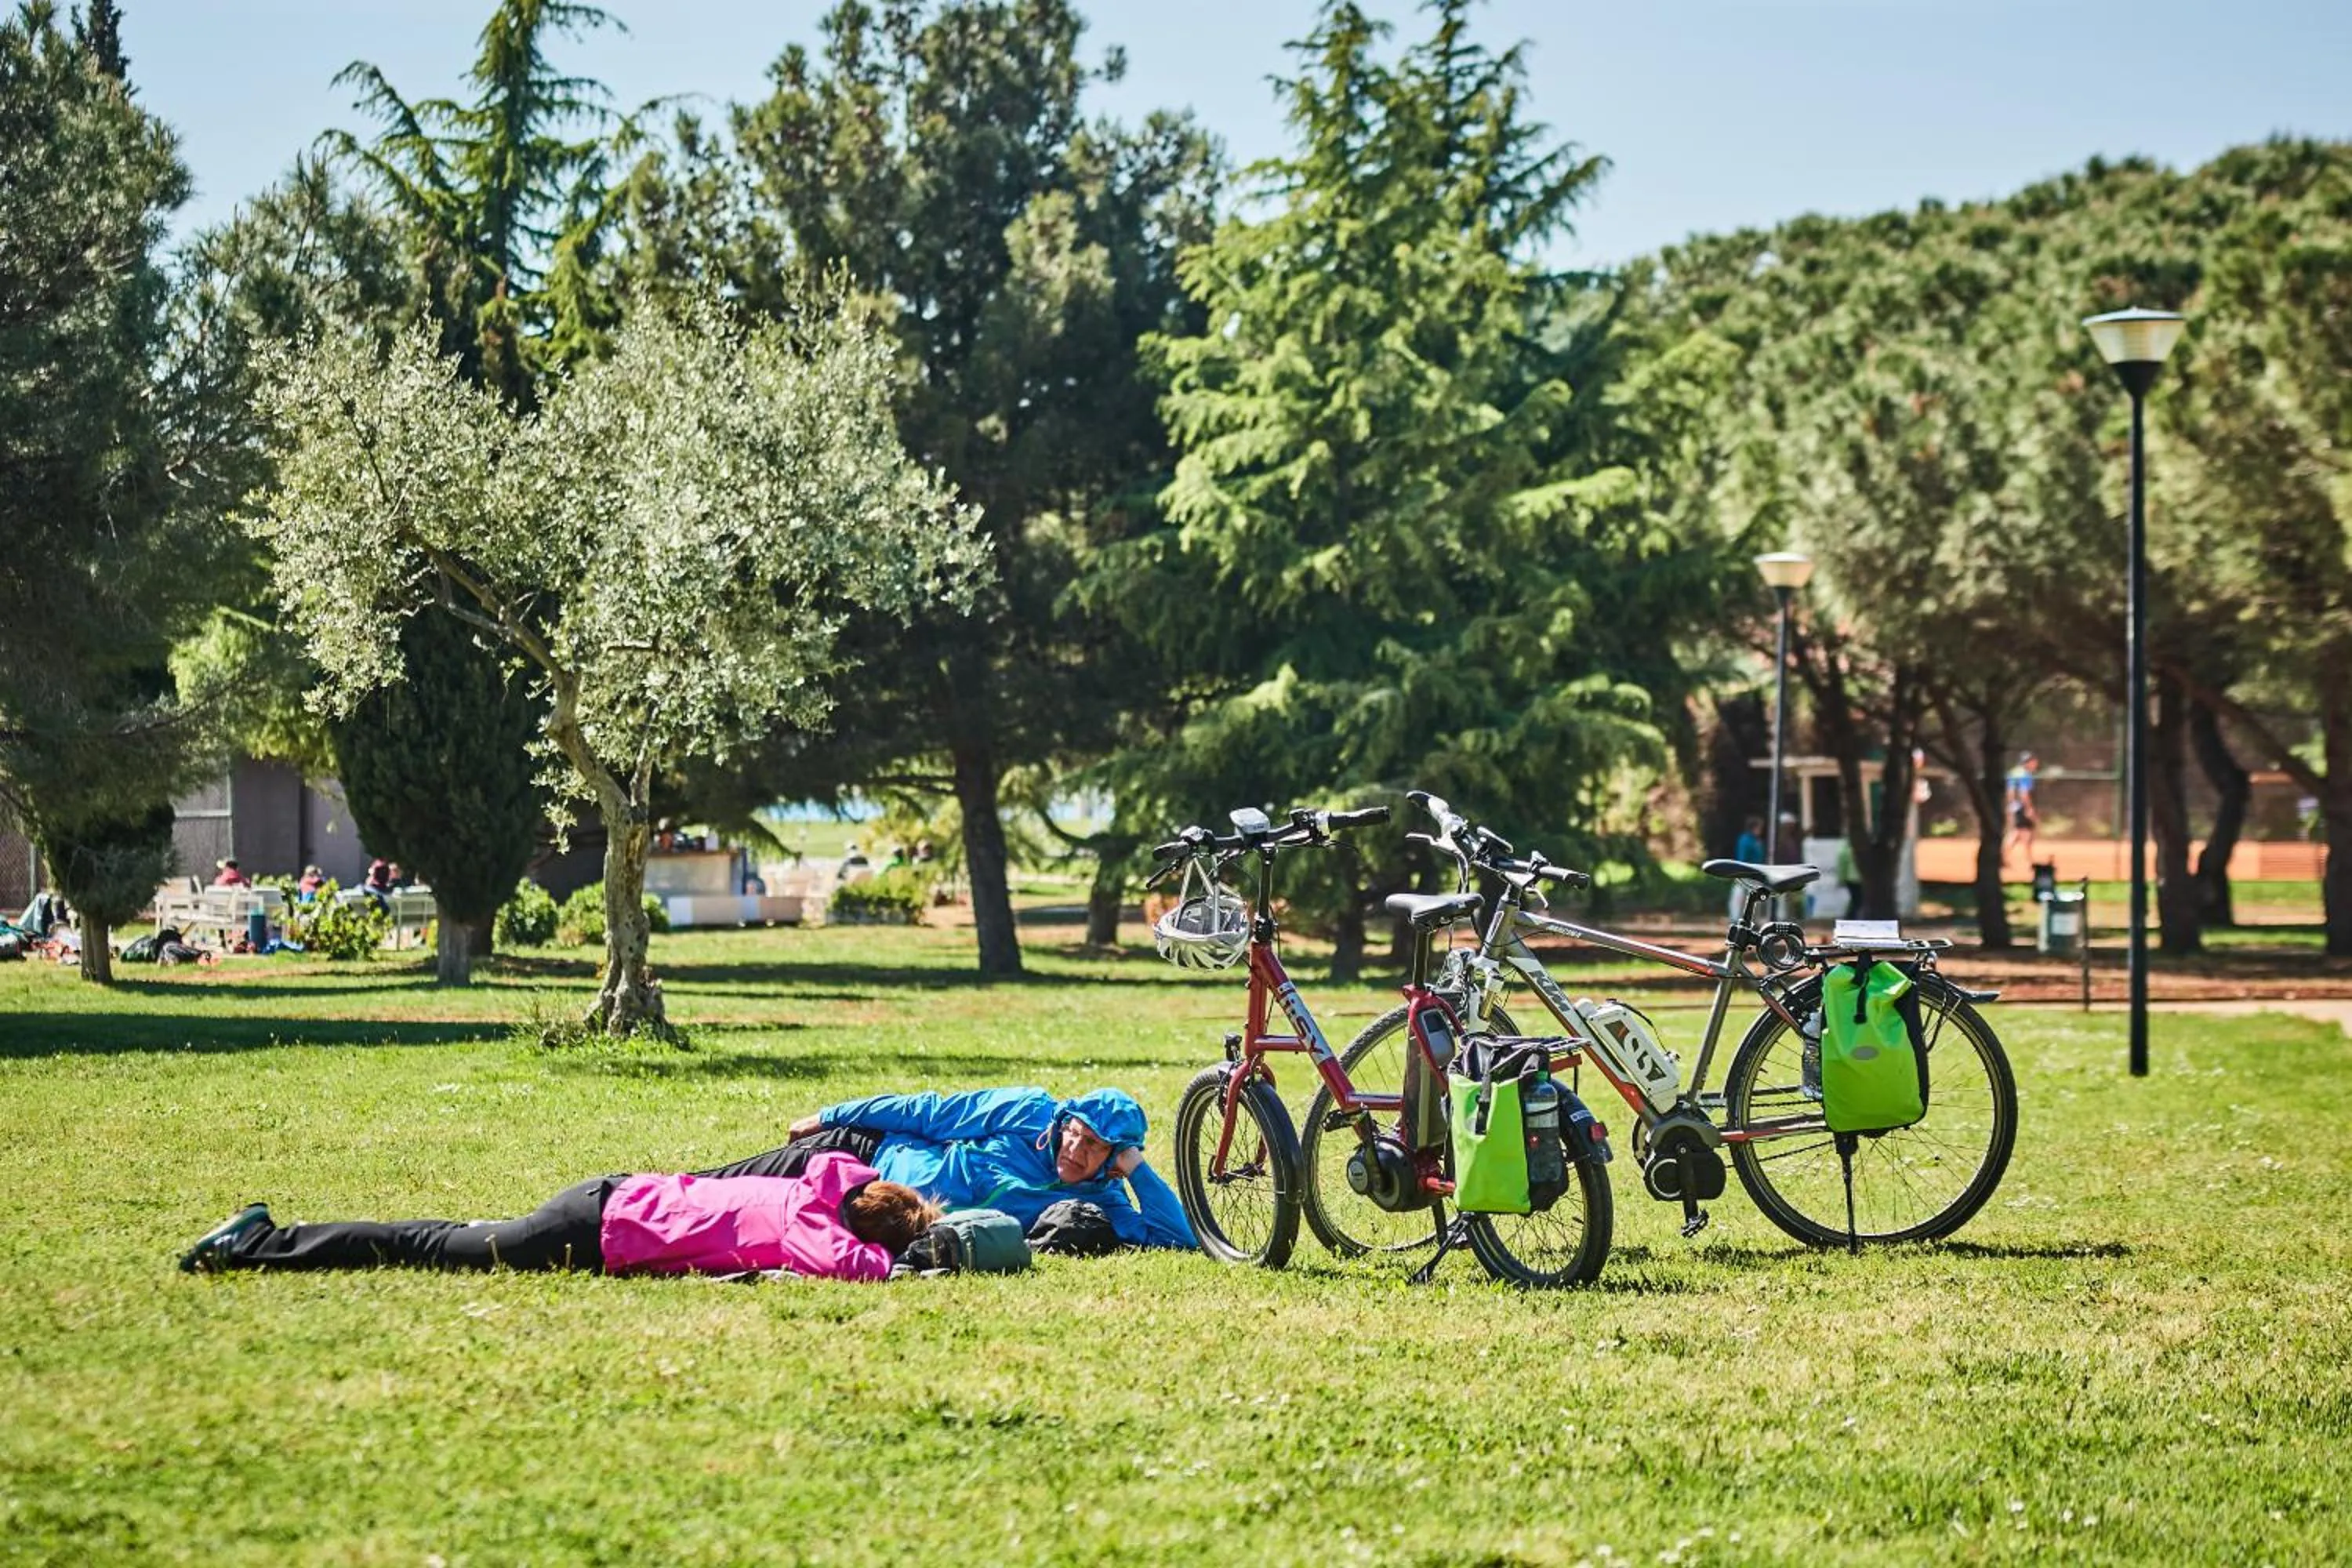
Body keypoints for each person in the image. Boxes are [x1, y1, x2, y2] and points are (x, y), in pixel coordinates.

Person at [178, 1149, 937, 1283]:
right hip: (593, 1231)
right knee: (430, 1246)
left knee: (455, 1237)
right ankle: (260, 1241)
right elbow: (858, 1268)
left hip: (608, 1196)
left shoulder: (815, 1185)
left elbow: (850, 1173)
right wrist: (912, 1255)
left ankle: (265, 1237)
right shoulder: (814, 1231)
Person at [735, 1085, 1197, 1253]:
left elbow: (1177, 1239)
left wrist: (1136, 1168)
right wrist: (830, 1116)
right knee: (721, 1188)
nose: (1074, 1148)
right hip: (865, 1155)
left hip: (888, 1214)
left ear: (1114, 1161)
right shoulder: (1029, 1110)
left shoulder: (1103, 1203)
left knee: (758, 1223)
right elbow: (929, 1113)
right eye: (1074, 1132)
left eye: (1094, 1145)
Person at [2004, 752, 2041, 869]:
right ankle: (2030, 861)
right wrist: (2028, 808)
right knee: (2026, 834)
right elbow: (2024, 793)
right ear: (2027, 763)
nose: (2035, 764)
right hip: (2021, 807)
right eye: (2033, 762)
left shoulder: (2013, 773)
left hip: (2014, 806)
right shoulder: (2025, 775)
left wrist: (2011, 805)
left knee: (2016, 833)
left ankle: (2003, 858)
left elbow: (2009, 792)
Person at [1728, 815, 1766, 919]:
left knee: (1754, 896)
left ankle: (1752, 918)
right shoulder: (1745, 840)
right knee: (1740, 896)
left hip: (1756, 873)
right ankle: (1735, 918)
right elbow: (1743, 857)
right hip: (1745, 871)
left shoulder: (1757, 841)